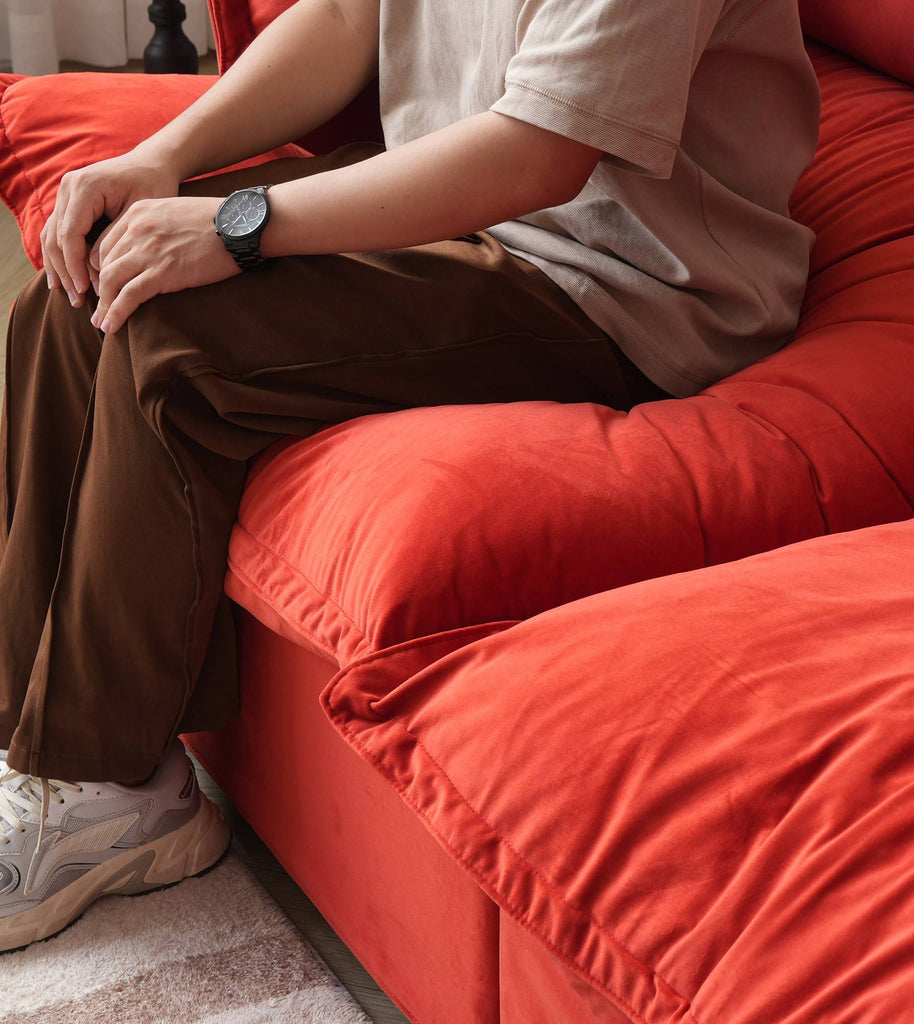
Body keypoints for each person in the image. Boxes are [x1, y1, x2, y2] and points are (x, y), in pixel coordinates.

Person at [0, 0, 819, 951]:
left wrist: (236, 226)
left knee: (164, 343)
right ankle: (36, 743)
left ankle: (110, 788)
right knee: (82, 289)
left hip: (617, 284)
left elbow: (537, 156)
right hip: (443, 214)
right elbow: (351, 15)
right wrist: (162, 158)